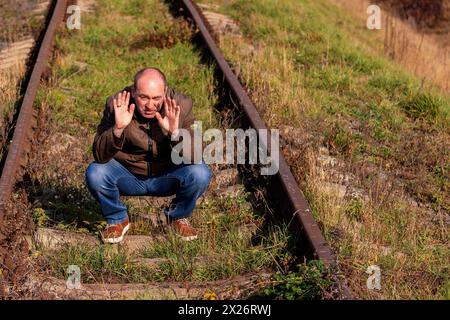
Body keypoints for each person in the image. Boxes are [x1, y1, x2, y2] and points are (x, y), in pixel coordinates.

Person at [85, 67, 211, 244]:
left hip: (167, 175)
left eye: (156, 98)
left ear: (165, 92)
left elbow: (196, 155)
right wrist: (118, 129)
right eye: (143, 97)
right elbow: (99, 155)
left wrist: (175, 133)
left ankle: (177, 217)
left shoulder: (180, 105)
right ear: (134, 91)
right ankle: (117, 218)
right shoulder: (117, 103)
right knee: (95, 172)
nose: (150, 105)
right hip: (127, 175)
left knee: (200, 173)